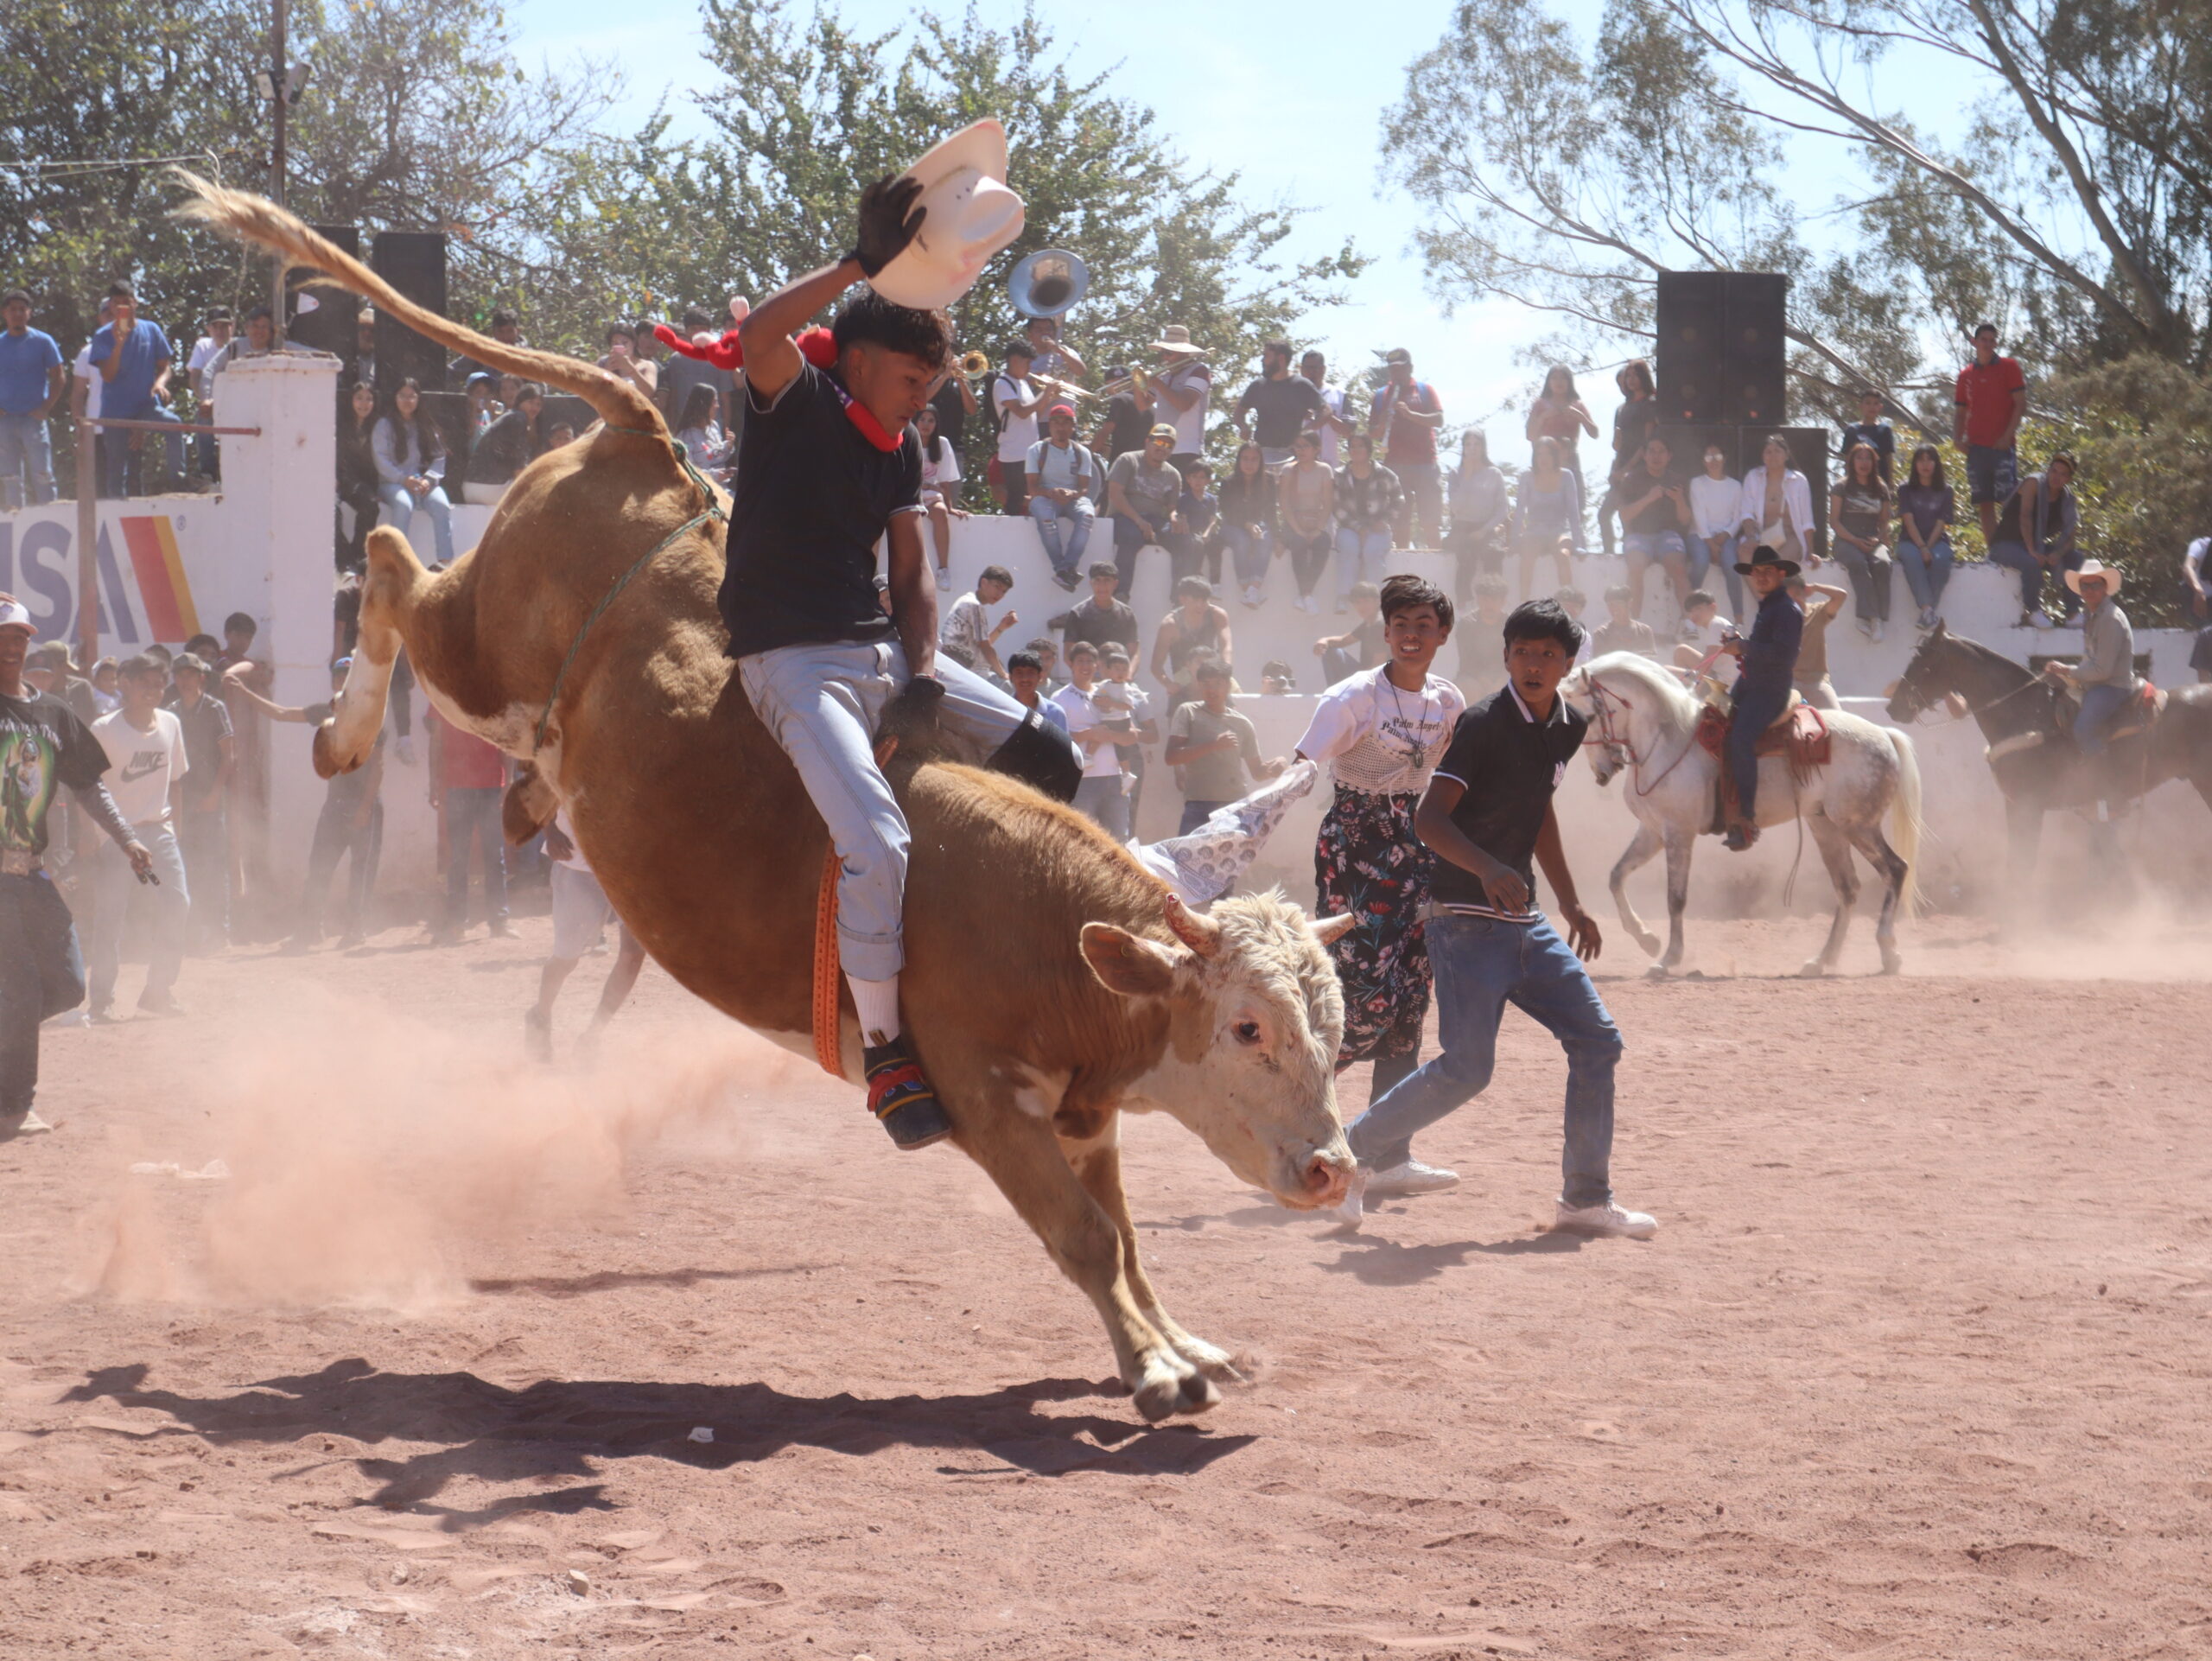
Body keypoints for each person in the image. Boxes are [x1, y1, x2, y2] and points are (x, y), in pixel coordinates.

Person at [723, 169, 1065, 1148]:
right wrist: (857, 264)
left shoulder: (902, 452)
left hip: (874, 650)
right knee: (875, 841)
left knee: (1049, 753)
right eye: (915, 382)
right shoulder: (794, 403)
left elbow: (913, 581)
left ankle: (997, 946)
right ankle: (886, 1052)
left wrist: (921, 675)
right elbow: (758, 339)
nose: (927, 402)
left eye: (934, 386)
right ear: (862, 363)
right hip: (789, 662)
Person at [1344, 596, 1652, 1239]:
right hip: (1462, 918)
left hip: (1525, 921)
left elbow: (1537, 810)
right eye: (1522, 652)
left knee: (1598, 1042)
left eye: (1547, 654)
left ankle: (1585, 1201)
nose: (1533, 664)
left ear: (1569, 663)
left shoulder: (1566, 724)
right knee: (1466, 1070)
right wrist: (1487, 867)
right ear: (1506, 656)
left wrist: (1568, 900)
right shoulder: (1483, 724)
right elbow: (1429, 820)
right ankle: (1347, 1156)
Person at [1293, 575, 1466, 1118]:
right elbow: (1303, 763)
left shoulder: (1448, 701)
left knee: (1412, 996)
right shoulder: (1354, 695)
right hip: (1357, 845)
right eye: (1401, 626)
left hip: (1419, 845)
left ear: (1443, 634)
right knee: (1364, 991)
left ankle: (1386, 1150)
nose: (1411, 635)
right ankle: (1295, 1101)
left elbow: (1454, 777)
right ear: (1386, 633)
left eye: (1424, 626)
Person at [0, 596, 156, 1137]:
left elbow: (88, 786)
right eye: (3, 638)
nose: (12, 648)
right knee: (18, 988)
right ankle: (16, 1106)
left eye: (19, 638)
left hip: (32, 870)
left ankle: (9, 1041)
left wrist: (129, 838)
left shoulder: (53, 713)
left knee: (68, 985)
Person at [84, 653, 192, 1020]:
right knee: (110, 917)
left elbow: (176, 781)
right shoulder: (104, 729)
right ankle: (101, 1001)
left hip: (159, 833)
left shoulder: (171, 723)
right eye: (144, 683)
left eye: (159, 683)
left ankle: (158, 991)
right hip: (116, 836)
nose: (154, 690)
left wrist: (176, 828)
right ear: (124, 685)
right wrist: (90, 834)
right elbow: (86, 785)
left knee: (177, 904)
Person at [525, 810, 649, 1063]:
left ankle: (593, 1036)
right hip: (578, 862)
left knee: (634, 954)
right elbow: (542, 786)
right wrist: (551, 831)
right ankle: (540, 1015)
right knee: (566, 957)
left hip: (630, 866)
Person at [1718, 545, 1803, 850]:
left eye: (1768, 571)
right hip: (1750, 686)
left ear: (1781, 574)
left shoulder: (1788, 610)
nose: (1761, 577)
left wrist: (1744, 648)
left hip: (1770, 692)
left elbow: (1784, 656)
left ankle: (1747, 818)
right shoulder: (1768, 606)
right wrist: (1741, 645)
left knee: (1741, 738)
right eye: (1757, 572)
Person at [2044, 560, 2137, 818]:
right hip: (2098, 683)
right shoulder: (2093, 616)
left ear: (2105, 587)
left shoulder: (2110, 619)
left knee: (2083, 729)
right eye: (2085, 586)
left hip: (2113, 687)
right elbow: (2092, 661)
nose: (2089, 590)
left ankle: (2114, 792)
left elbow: (2103, 669)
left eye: (2095, 585)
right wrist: (2068, 673)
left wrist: (2068, 671)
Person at [86, 282, 186, 497]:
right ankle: (115, 514)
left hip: (145, 405)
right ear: (111, 307)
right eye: (117, 304)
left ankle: (178, 480)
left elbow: (165, 366)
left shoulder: (151, 329)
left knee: (174, 425)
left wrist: (160, 383)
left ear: (135, 303)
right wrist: (119, 345)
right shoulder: (102, 336)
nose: (122, 308)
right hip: (115, 411)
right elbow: (108, 375)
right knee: (116, 469)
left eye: (126, 303)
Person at [1166, 656, 1284, 833]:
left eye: (1218, 684)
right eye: (1206, 683)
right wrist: (1213, 746)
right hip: (1198, 805)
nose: (1211, 689)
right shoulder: (1188, 712)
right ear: (1199, 685)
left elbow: (1258, 773)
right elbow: (1171, 757)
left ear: (1228, 685)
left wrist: (1278, 767)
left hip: (1234, 807)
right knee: (1186, 861)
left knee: (1231, 861)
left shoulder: (1242, 724)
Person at [165, 652, 233, 951]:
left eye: (190, 674)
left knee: (214, 866)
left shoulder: (215, 708)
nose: (185, 679)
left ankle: (220, 931)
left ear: (201, 678)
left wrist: (215, 794)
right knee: (185, 866)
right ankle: (190, 933)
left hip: (208, 799)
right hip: (182, 801)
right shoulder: (171, 711)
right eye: (180, 674)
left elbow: (229, 755)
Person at [1986, 454, 2082, 627]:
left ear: (2068, 478)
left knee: (2075, 558)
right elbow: (2025, 516)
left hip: (2035, 546)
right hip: (2006, 544)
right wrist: (2032, 550)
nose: (2056, 476)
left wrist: (2057, 554)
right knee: (2031, 562)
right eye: (2053, 471)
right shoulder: (2034, 483)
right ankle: (2033, 610)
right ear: (2048, 470)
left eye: (2062, 474)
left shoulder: (2066, 500)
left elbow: (2071, 537)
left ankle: (2073, 613)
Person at [1053, 640, 1135, 840]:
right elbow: (1056, 739)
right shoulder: (1059, 698)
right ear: (1070, 664)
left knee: (1118, 842)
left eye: (1090, 661)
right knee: (1082, 841)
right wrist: (1089, 734)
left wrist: (1110, 735)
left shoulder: (1110, 691)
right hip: (1082, 780)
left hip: (1115, 779)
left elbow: (1131, 735)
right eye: (1080, 661)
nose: (1086, 666)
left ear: (1097, 665)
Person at [1955, 322, 2027, 544]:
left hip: (2002, 447)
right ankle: (1994, 553)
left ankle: (2016, 547)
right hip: (1976, 448)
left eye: (1992, 340)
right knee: (1984, 503)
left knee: (2009, 500)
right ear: (1974, 342)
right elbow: (1960, 411)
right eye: (1983, 340)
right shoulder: (1965, 375)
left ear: (1996, 343)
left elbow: (2021, 404)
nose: (1987, 344)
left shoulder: (2009, 367)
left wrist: (2007, 436)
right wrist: (1957, 439)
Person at [372, 378, 457, 566]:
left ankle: (444, 564)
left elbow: (439, 457)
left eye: (412, 396)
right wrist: (403, 479)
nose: (407, 400)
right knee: (403, 505)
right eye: (402, 395)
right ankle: (398, 561)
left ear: (419, 399)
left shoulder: (426, 425)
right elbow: (381, 461)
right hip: (392, 483)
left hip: (423, 482)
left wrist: (429, 479)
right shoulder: (384, 425)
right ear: (395, 398)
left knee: (442, 505)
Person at [1370, 347, 1444, 547]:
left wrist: (1411, 415)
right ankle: (1401, 567)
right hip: (1395, 464)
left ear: (1410, 368)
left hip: (1425, 463)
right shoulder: (1380, 395)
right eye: (1392, 369)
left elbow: (1438, 419)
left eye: (1400, 369)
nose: (1396, 373)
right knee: (1399, 520)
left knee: (1430, 521)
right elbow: (1372, 434)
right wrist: (1383, 423)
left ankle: (1438, 563)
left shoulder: (1424, 390)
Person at [0, 289, 66, 510]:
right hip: (5, 420)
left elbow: (59, 376)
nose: (17, 313)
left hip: (33, 419)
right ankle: (15, 522)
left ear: (29, 313)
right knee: (9, 477)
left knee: (42, 473)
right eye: (12, 309)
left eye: (22, 309)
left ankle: (51, 517)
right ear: (4, 313)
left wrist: (46, 407)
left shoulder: (43, 341)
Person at [1617, 434, 1693, 620]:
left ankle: (1690, 623)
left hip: (1668, 535)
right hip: (1638, 535)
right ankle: (1632, 623)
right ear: (1644, 455)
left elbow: (1685, 520)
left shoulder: (1678, 480)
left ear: (1669, 456)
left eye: (1661, 452)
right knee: (1635, 567)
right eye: (1652, 451)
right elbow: (1624, 515)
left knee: (1679, 568)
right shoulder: (1632, 479)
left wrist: (1679, 500)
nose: (1656, 456)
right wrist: (1648, 498)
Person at [1105, 423, 1187, 592]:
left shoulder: (1174, 475)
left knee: (1184, 540)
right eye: (1158, 442)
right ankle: (1120, 594)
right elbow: (1115, 494)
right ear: (1147, 441)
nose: (1162, 448)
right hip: (1124, 517)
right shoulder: (1128, 460)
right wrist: (1139, 520)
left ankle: (1180, 597)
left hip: (1155, 520)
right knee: (1131, 536)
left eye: (1168, 445)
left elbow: (1172, 507)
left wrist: (1175, 518)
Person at [1025, 402, 1097, 588]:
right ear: (1049, 426)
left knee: (1088, 515)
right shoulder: (1037, 450)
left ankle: (1067, 567)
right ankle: (1062, 569)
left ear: (1073, 427)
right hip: (1045, 497)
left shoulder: (1082, 452)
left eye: (1066, 422)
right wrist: (1051, 492)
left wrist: (1072, 494)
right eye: (1056, 422)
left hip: (1072, 498)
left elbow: (1084, 489)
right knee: (1046, 519)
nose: (1060, 427)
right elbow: (1032, 488)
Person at [1827, 440, 1895, 641]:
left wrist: (1879, 537)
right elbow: (1834, 522)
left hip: (1873, 539)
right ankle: (1870, 617)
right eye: (1859, 458)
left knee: (1883, 563)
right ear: (1852, 461)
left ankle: (1879, 617)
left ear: (1874, 462)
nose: (1864, 462)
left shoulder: (1881, 487)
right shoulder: (1841, 486)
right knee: (1857, 563)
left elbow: (1885, 521)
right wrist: (1855, 540)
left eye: (1868, 458)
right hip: (1846, 539)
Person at [1332, 433, 1401, 613]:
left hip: (1378, 527)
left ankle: (1376, 599)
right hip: (1349, 527)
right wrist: (1358, 528)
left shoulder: (1385, 474)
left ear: (1369, 450)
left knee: (1372, 552)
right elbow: (1336, 506)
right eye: (1352, 446)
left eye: (1360, 446)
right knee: (1349, 550)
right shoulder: (1339, 475)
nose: (1356, 450)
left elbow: (1399, 499)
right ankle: (1344, 598)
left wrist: (1384, 521)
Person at [1599, 359, 1660, 559]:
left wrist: (1627, 469)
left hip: (1639, 469)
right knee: (1604, 514)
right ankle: (1609, 554)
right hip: (1620, 469)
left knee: (1630, 518)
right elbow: (1617, 445)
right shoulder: (1621, 408)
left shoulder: (1650, 404)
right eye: (1627, 376)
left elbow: (1647, 442)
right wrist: (1616, 469)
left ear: (1643, 376)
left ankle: (1630, 554)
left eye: (1634, 375)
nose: (1631, 380)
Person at [1510, 435, 1583, 599]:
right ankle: (1524, 606)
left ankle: (1568, 604)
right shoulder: (1526, 477)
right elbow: (1520, 511)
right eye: (1539, 454)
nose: (1543, 458)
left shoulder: (1567, 476)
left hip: (1559, 531)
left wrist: (1578, 543)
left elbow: (1573, 512)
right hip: (1534, 532)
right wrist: (1514, 541)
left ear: (1555, 456)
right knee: (1526, 558)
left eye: (1548, 454)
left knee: (1563, 556)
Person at [1732, 431, 1817, 574]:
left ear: (1786, 455)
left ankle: (1767, 596)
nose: (1773, 456)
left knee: (1774, 566)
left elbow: (1807, 521)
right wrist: (1751, 538)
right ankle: (1761, 597)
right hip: (1761, 537)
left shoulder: (1799, 481)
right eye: (1768, 452)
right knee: (1744, 553)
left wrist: (1811, 551)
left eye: (1778, 451)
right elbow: (1746, 513)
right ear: (1763, 456)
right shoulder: (1753, 477)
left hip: (1791, 537)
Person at [1895, 442, 1957, 630]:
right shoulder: (1905, 489)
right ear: (1914, 464)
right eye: (1921, 460)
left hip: (1937, 541)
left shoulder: (1946, 491)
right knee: (1913, 560)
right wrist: (1921, 547)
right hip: (1909, 541)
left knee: (1942, 560)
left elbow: (1941, 522)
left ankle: (1928, 612)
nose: (1925, 464)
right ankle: (1928, 609)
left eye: (1930, 460)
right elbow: (1908, 520)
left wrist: (1929, 547)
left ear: (1936, 464)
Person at [1234, 340, 1324, 469]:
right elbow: (1239, 412)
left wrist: (1306, 431)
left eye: (1266, 356)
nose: (1262, 360)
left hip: (1294, 454)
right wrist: (1243, 426)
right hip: (1263, 455)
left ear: (1281, 358)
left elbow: (1326, 410)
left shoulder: (1301, 385)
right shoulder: (1258, 386)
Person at [1444, 430, 1510, 603]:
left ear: (1483, 447)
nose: (1472, 449)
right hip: (1462, 527)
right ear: (1463, 448)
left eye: (1477, 444)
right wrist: (1467, 477)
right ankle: (1463, 602)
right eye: (1468, 444)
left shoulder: (1494, 473)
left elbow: (1503, 508)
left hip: (1487, 527)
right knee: (1465, 556)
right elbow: (1456, 508)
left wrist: (1485, 530)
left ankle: (1494, 600)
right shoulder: (1455, 474)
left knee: (1493, 553)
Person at [1150, 576, 1234, 708]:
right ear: (1182, 599)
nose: (1201, 605)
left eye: (1205, 600)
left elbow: (1226, 648)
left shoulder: (1217, 615)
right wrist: (1169, 685)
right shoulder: (1170, 625)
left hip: (1210, 673)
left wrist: (1225, 672)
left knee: (1227, 710)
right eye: (1196, 600)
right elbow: (1156, 665)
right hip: (1183, 681)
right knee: (1181, 718)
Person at [1277, 429, 1337, 613]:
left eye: (1305, 446)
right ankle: (1307, 595)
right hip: (1293, 521)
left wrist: (1319, 529)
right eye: (1298, 446)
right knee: (1299, 543)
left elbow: (1328, 502)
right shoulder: (1288, 470)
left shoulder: (1325, 470)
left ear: (1316, 449)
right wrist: (1298, 530)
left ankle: (1305, 594)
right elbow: (1284, 503)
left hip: (1316, 520)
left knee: (1323, 543)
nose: (1301, 450)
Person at [1524, 365, 1597, 509]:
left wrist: (1580, 416)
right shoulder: (1540, 404)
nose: (1559, 382)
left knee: (1576, 504)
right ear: (1548, 382)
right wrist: (1544, 417)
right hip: (1545, 460)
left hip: (1570, 459)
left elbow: (1595, 433)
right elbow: (1530, 435)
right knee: (1543, 505)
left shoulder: (1577, 404)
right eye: (1555, 378)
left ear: (1569, 382)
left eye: (1563, 378)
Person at [465, 379, 549, 504]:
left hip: (474, 488)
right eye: (531, 402)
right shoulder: (518, 419)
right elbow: (519, 466)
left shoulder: (511, 416)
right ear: (520, 402)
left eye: (538, 404)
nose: (535, 407)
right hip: (489, 488)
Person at [990, 340, 1047, 513]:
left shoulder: (1022, 383)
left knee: (1034, 499)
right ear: (1014, 359)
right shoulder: (1002, 384)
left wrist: (1050, 396)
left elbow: (1036, 411)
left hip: (1030, 452)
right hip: (1015, 453)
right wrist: (1047, 391)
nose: (1030, 367)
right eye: (1027, 362)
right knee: (1016, 500)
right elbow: (1021, 412)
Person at [1688, 442, 1744, 618]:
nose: (1714, 461)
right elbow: (1699, 516)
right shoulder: (1697, 483)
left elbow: (1738, 516)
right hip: (1699, 536)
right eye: (1709, 456)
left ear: (1724, 459)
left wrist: (1726, 534)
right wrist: (1711, 545)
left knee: (1732, 567)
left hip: (1726, 537)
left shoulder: (1735, 486)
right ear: (1703, 461)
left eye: (1717, 456)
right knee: (1701, 563)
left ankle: (1739, 618)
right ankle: (1690, 614)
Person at [1219, 442, 1277, 606]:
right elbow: (1227, 511)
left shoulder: (1269, 480)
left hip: (1257, 525)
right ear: (1238, 460)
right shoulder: (1228, 482)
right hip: (1232, 525)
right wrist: (1247, 525)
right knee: (1242, 540)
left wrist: (1278, 537)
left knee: (1266, 539)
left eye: (1254, 459)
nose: (1249, 464)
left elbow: (1271, 511)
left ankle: (1253, 590)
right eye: (1245, 459)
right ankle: (1246, 588)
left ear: (1261, 461)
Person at [914, 403, 965, 587]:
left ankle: (943, 569)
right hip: (910, 496)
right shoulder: (906, 439)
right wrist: (926, 484)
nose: (926, 424)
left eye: (931, 420)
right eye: (922, 419)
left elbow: (945, 481)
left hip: (932, 496)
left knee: (941, 513)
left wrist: (950, 507)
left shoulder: (942, 444)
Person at [1047, 562, 1141, 659]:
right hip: (1087, 672)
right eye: (1097, 580)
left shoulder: (1126, 614)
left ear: (1115, 584)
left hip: (1118, 673)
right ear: (1091, 583)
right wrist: (1087, 673)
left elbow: (1134, 654)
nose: (1102, 585)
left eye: (1107, 580)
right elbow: (1068, 654)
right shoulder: (1078, 613)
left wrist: (1128, 673)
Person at [335, 379, 382, 570]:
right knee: (332, 514)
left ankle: (359, 554)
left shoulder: (377, 427)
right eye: (359, 398)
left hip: (360, 484)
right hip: (339, 480)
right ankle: (344, 559)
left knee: (371, 506)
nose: (364, 404)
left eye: (369, 399)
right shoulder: (339, 424)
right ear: (351, 400)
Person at [939, 564, 1017, 680]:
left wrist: (1001, 628)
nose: (999, 594)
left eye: (1004, 591)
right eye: (997, 586)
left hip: (957, 669)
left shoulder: (969, 601)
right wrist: (1003, 674)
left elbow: (981, 644)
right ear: (983, 582)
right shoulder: (973, 605)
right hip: (963, 671)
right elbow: (985, 647)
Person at [183, 305, 233, 480]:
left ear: (231, 327)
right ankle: (208, 473)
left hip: (235, 402)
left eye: (224, 326)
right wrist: (206, 401)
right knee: (204, 421)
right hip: (211, 401)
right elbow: (195, 377)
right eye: (215, 326)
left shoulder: (238, 346)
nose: (220, 331)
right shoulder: (203, 346)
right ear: (209, 329)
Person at [1149, 325, 1211, 466]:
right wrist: (1138, 383)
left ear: (1183, 352)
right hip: (1161, 449)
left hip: (1186, 451)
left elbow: (1184, 405)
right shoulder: (1165, 376)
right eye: (1163, 353)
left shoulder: (1199, 370)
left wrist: (1158, 384)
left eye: (1169, 353)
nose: (1165, 357)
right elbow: (1142, 404)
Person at [1787, 571, 1849, 710]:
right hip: (1790, 682)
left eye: (1797, 594)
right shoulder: (1779, 618)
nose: (1794, 601)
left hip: (1817, 681)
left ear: (1805, 593)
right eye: (1789, 598)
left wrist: (1815, 587)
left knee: (1837, 720)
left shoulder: (1818, 612)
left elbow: (1841, 596)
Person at [1315, 580, 1384, 686]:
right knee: (1331, 651)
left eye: (1366, 601)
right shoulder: (1369, 623)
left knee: (1332, 652)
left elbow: (1378, 667)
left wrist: (1357, 682)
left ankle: (1336, 696)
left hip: (1379, 683)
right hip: (1365, 676)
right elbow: (1343, 641)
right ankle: (1336, 694)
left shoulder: (1380, 625)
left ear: (1377, 601)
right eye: (1358, 602)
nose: (1362, 606)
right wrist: (1324, 641)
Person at [1300, 349, 1357, 466]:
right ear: (1301, 370)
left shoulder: (1338, 394)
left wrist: (1327, 416)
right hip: (1298, 465)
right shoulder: (1292, 395)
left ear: (1323, 369)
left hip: (1329, 465)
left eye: (1315, 368)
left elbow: (1349, 432)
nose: (1311, 372)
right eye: (1307, 368)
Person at [1168, 460, 1222, 586]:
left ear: (1208, 480)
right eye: (1194, 477)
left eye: (1202, 477)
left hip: (1206, 533)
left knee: (1216, 545)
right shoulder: (1184, 498)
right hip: (1189, 534)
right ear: (1188, 479)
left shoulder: (1211, 499)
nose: (1198, 481)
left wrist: (1207, 533)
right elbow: (1183, 519)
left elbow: (1213, 520)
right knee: (1196, 543)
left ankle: (1215, 582)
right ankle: (1194, 572)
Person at [1457, 573, 1510, 690]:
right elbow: (1466, 660)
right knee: (1469, 687)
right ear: (1478, 600)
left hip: (1504, 676)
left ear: (1503, 601)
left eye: (1494, 600)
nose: (1489, 605)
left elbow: (1514, 658)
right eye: (1485, 599)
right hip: (1473, 676)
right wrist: (1484, 681)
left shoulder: (1510, 625)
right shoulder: (1466, 624)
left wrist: (1501, 681)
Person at [1092, 361, 1152, 461]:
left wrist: (1088, 452)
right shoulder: (1150, 405)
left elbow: (1105, 432)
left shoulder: (1119, 400)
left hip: (1123, 461)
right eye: (1115, 381)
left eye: (1121, 381)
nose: (1118, 384)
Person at [1671, 588, 1735, 673]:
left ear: (1713, 607)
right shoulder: (1720, 623)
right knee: (1681, 651)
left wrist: (1697, 685)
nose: (1694, 614)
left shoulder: (1716, 624)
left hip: (1724, 683)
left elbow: (1707, 663)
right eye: (1691, 611)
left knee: (1668, 670)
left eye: (1698, 608)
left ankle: (1685, 686)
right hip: (1726, 678)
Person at [1840, 388, 1896, 485]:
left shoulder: (1885, 430)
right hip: (1856, 484)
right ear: (1860, 406)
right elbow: (1847, 459)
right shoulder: (1852, 430)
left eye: (1876, 403)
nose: (1872, 407)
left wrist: (1890, 484)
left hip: (1879, 484)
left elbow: (1888, 459)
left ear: (1880, 407)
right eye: (1868, 403)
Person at [1004, 651, 1069, 733]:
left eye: (1030, 673)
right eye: (1019, 673)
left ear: (1040, 676)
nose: (1025, 679)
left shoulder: (1055, 713)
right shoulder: (1001, 711)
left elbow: (1063, 745)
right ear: (1011, 677)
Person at [597, 321, 660, 404]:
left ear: (633, 343)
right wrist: (606, 372)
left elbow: (648, 393)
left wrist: (630, 368)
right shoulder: (604, 363)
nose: (621, 346)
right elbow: (594, 394)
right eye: (615, 343)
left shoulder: (648, 365)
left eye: (625, 342)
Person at [1592, 582, 1659, 659]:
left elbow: (1651, 660)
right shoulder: (1601, 633)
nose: (1614, 608)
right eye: (1610, 604)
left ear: (1630, 603)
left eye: (1618, 603)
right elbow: (1601, 664)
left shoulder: (1644, 631)